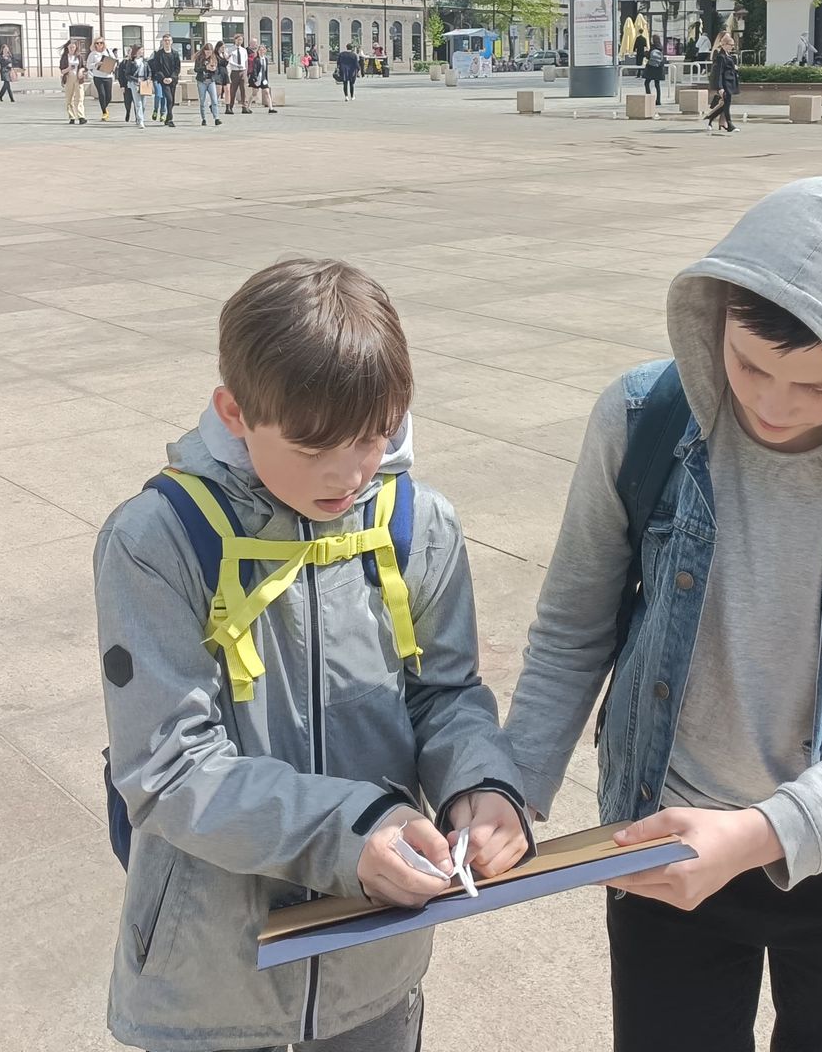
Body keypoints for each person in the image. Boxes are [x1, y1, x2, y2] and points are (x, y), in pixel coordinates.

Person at [504, 175, 822, 1052]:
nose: (774, 406)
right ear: (715, 318)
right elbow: (572, 629)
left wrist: (760, 834)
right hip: (664, 837)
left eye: (821, 387)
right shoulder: (641, 417)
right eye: (749, 366)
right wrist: (511, 787)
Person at [96, 258, 532, 1052]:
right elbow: (168, 768)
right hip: (213, 980)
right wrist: (349, 832)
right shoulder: (156, 540)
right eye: (311, 445)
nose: (348, 472)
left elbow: (445, 694)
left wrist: (482, 784)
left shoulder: (419, 524)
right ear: (234, 412)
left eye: (374, 435)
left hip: (374, 967)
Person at [706, 31, 738, 134]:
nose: (732, 47)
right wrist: (719, 87)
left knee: (724, 105)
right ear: (723, 43)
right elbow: (718, 72)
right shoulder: (720, 55)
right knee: (725, 104)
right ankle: (729, 124)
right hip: (724, 83)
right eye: (730, 44)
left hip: (729, 83)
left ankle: (711, 118)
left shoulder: (728, 54)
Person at [151, 38, 181, 127]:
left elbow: (177, 68)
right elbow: (157, 68)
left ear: (171, 42)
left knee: (172, 100)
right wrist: (163, 78)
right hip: (163, 81)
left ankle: (167, 118)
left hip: (172, 80)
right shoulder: (158, 54)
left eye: (168, 40)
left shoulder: (175, 54)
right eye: (165, 40)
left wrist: (172, 78)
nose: (167, 42)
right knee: (169, 98)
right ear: (163, 42)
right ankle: (170, 119)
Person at [117, 41, 146, 128]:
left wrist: (148, 78)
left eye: (143, 50)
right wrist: (136, 80)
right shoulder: (130, 62)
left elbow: (149, 71)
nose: (142, 51)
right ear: (136, 51)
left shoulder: (145, 61)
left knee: (143, 104)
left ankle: (139, 118)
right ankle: (140, 121)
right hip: (134, 83)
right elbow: (127, 74)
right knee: (138, 102)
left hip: (144, 83)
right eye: (141, 50)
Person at [195, 42, 223, 127]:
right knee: (203, 101)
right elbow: (196, 69)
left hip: (211, 81)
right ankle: (204, 118)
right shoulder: (199, 58)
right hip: (202, 81)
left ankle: (216, 118)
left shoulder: (213, 58)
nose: (208, 53)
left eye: (210, 51)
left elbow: (217, 70)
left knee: (214, 100)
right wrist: (205, 67)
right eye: (207, 51)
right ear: (204, 51)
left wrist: (213, 69)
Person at [63, 42, 89, 125]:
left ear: (76, 48)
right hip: (69, 78)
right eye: (70, 47)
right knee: (69, 98)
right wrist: (68, 68)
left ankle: (81, 117)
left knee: (80, 97)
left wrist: (81, 70)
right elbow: (62, 71)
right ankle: (72, 117)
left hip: (78, 79)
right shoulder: (65, 57)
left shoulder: (79, 57)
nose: (72, 49)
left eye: (73, 47)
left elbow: (84, 67)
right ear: (67, 48)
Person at [91, 40, 115, 122]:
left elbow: (114, 61)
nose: (99, 44)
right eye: (97, 43)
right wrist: (96, 64)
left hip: (108, 76)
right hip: (98, 76)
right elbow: (88, 65)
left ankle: (105, 108)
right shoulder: (93, 54)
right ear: (95, 45)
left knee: (109, 96)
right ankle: (104, 112)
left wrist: (113, 67)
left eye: (101, 43)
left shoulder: (108, 52)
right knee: (102, 94)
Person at [224, 37, 249, 116]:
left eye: (241, 40)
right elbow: (229, 61)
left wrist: (246, 71)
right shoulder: (230, 49)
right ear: (235, 40)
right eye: (238, 40)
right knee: (233, 90)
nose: (239, 41)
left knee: (243, 89)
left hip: (243, 71)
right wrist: (237, 65)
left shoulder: (244, 50)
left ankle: (244, 107)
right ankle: (231, 106)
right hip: (235, 71)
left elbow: (245, 61)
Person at [251, 42, 276, 112]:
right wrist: (255, 78)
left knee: (267, 92)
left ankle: (271, 108)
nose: (261, 51)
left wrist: (266, 79)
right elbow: (254, 69)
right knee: (254, 93)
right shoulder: (256, 59)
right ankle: (248, 106)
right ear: (258, 51)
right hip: (257, 78)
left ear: (265, 51)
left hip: (264, 78)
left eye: (263, 50)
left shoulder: (265, 59)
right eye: (260, 50)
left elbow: (265, 70)